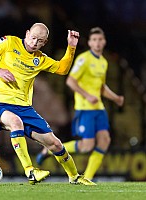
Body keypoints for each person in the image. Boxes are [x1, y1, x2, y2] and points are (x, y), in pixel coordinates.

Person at [0, 23, 95, 185]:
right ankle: (30, 171)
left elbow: (62, 69)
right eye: (33, 37)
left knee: (55, 143)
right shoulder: (9, 42)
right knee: (15, 122)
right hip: (0, 103)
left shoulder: (40, 59)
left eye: (40, 40)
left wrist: (71, 47)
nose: (34, 42)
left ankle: (74, 177)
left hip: (24, 108)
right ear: (27, 33)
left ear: (44, 43)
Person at [36, 27, 124, 181]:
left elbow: (101, 87)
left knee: (105, 141)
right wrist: (87, 96)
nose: (97, 43)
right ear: (90, 43)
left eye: (100, 40)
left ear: (104, 42)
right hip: (85, 109)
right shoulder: (84, 59)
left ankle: (87, 178)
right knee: (86, 147)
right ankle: (50, 150)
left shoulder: (103, 62)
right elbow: (70, 81)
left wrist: (115, 98)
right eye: (94, 40)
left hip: (99, 109)